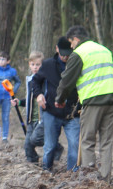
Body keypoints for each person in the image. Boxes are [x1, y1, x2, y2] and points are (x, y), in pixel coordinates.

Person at [56, 25, 113, 180]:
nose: (71, 46)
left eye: (71, 42)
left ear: (76, 39)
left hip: (93, 100)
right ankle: (105, 180)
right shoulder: (105, 50)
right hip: (112, 99)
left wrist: (60, 99)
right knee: (106, 142)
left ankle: (90, 181)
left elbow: (67, 81)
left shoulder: (79, 54)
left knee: (87, 140)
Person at [31, 37, 79, 172]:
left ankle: (73, 174)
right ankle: (47, 171)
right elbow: (35, 82)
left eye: (68, 54)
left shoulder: (77, 64)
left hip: (72, 113)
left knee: (75, 144)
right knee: (50, 146)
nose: (65, 56)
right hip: (51, 111)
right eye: (62, 53)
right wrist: (39, 95)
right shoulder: (47, 65)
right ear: (57, 49)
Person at [21, 51, 45, 163]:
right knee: (27, 145)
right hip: (31, 118)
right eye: (32, 64)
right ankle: (33, 163)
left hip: (41, 119)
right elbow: (29, 99)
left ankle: (56, 147)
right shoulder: (29, 80)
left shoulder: (45, 81)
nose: (35, 67)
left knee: (35, 139)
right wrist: (20, 102)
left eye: (38, 65)